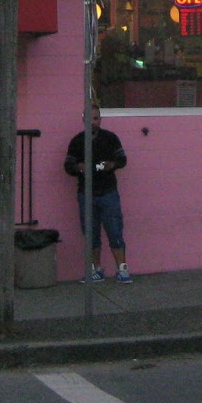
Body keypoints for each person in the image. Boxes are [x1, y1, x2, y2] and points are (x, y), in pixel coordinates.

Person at [63, 105, 132, 283]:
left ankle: (123, 270)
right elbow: (68, 166)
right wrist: (79, 167)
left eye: (95, 118)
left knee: (115, 231)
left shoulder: (110, 138)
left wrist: (111, 164)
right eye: (89, 119)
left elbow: (122, 159)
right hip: (86, 193)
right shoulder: (77, 141)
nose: (92, 122)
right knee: (90, 233)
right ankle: (96, 270)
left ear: (100, 119)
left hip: (108, 192)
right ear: (83, 120)